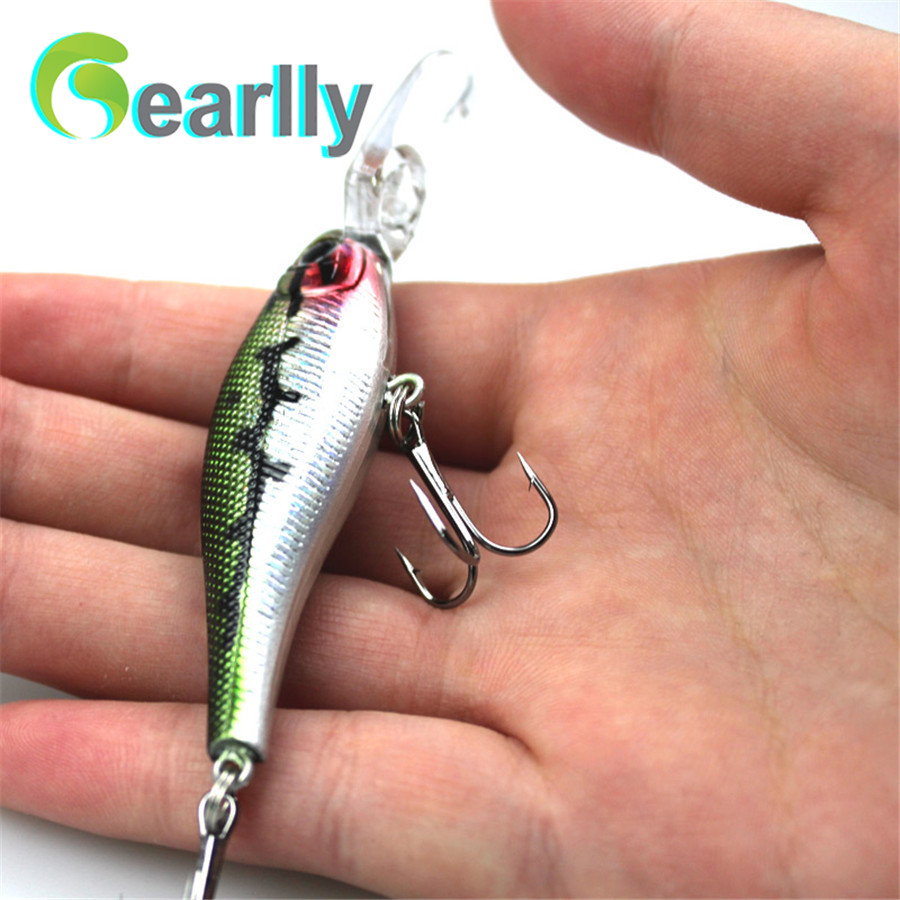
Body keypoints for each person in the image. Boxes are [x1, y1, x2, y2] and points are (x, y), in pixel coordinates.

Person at [1, 1, 896, 895]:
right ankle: (233, 745)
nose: (345, 274)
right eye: (326, 275)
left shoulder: (351, 297)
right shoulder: (340, 302)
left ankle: (230, 756)